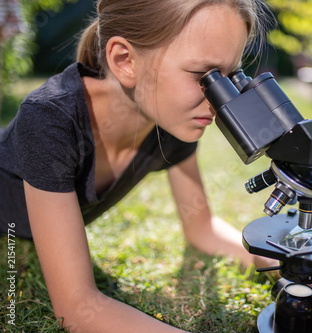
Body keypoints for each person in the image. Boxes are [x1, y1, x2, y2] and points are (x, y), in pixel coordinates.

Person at [0, 0, 276, 331]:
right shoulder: (49, 119)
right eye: (204, 76)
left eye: (229, 77)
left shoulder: (173, 123)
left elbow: (201, 226)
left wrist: (289, 269)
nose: (220, 100)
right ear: (125, 61)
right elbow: (76, 307)